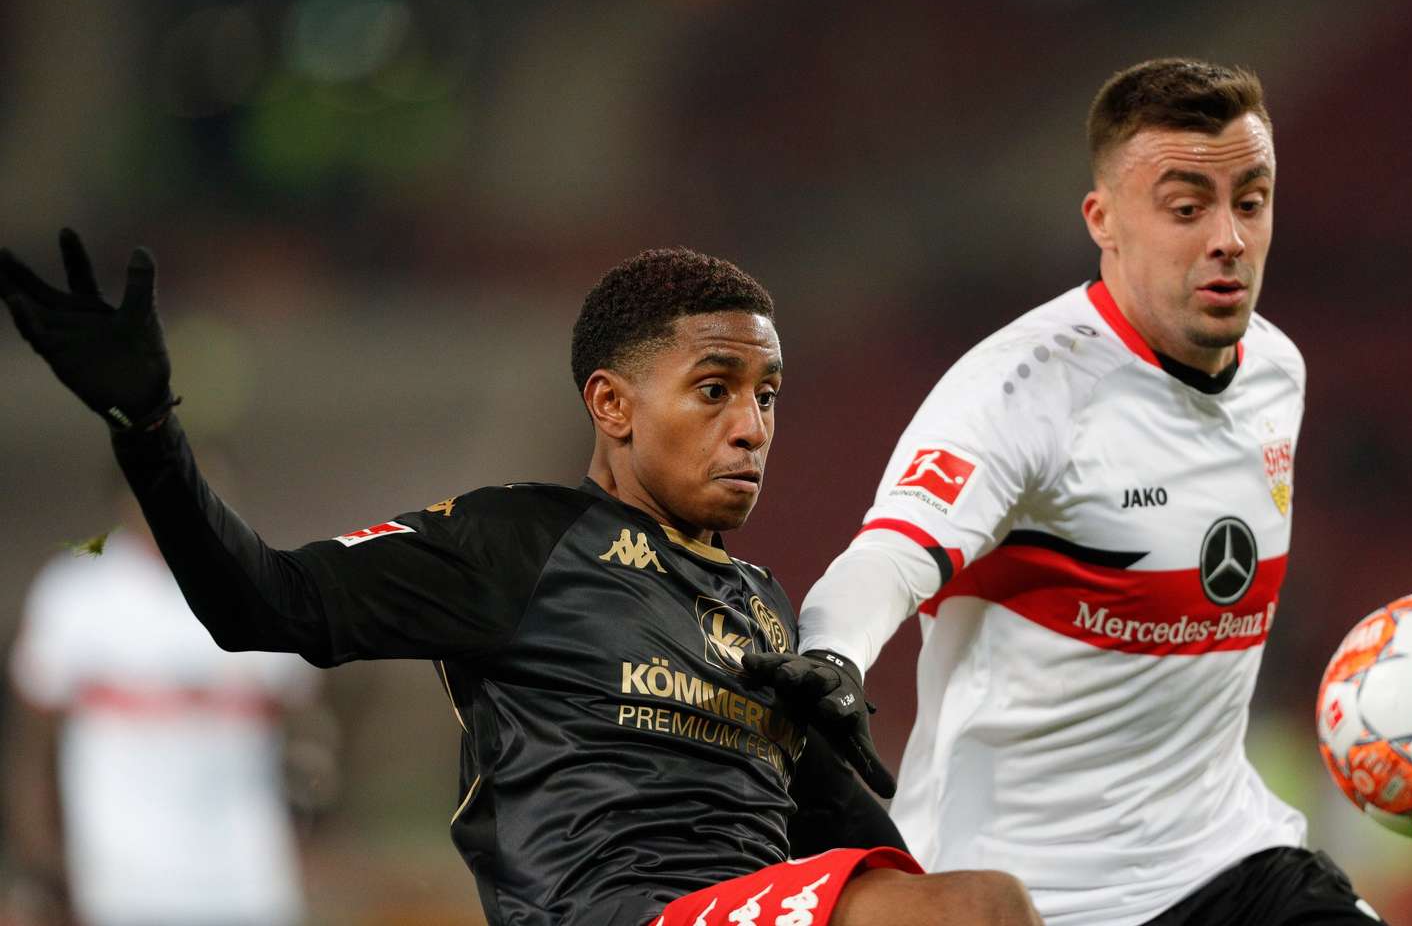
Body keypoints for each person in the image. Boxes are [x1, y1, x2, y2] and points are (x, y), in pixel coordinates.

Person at [0, 235, 1041, 926]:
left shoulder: (761, 606)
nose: (751, 427)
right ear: (613, 405)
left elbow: (838, 826)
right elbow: (261, 601)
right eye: (715, 389)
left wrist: (836, 759)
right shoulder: (515, 542)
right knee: (982, 908)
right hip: (614, 913)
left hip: (746, 903)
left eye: (767, 395)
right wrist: (149, 428)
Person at [747, 59, 1388, 925]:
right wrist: (833, 653)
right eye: (1186, 207)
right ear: (1103, 220)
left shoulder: (1278, 369)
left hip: (1232, 861)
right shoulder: (1019, 390)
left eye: (1251, 201)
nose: (1229, 238)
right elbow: (892, 553)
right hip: (1031, 893)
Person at [5, 487, 322, 926]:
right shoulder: (76, 591)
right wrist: (36, 852)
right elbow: (34, 739)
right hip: (126, 870)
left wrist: (311, 823)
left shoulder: (264, 581)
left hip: (246, 866)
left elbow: (308, 723)